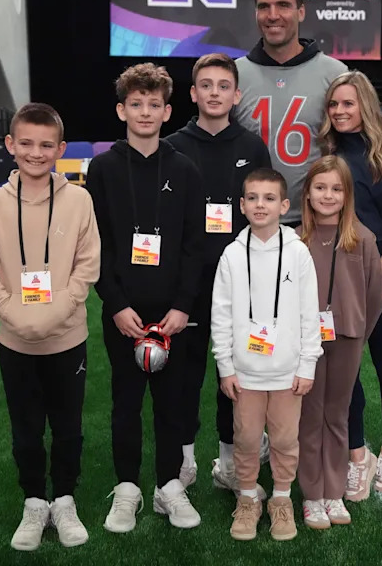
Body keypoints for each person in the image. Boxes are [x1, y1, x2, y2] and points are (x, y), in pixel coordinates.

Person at [0, 103, 100, 551]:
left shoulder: (80, 200)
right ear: (10, 145)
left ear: (61, 149)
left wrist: (56, 311)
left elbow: (86, 268)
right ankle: (34, 501)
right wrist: (14, 312)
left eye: (46, 145)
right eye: (26, 143)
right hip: (15, 341)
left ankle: (63, 499)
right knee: (25, 428)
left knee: (68, 426)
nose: (36, 153)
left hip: (67, 339)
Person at [85, 63, 204, 533]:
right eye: (136, 103)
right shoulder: (104, 168)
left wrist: (182, 306)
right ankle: (128, 487)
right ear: (121, 109)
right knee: (125, 403)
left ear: (168, 110)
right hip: (124, 315)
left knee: (173, 404)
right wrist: (114, 304)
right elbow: (97, 246)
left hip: (173, 315)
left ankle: (168, 488)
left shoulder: (184, 169)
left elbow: (195, 245)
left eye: (155, 104)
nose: (146, 112)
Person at [164, 53, 271, 493]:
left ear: (236, 94)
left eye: (223, 86)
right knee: (185, 376)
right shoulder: (172, 146)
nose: (214, 93)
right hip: (185, 287)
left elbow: (263, 217)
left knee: (238, 376)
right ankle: (184, 461)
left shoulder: (251, 147)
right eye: (205, 85)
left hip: (239, 287)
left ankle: (230, 462)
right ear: (192, 94)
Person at [317, 71, 382, 499]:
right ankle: (358, 456)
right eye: (334, 105)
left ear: (365, 107)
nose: (340, 111)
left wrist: (375, 276)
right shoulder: (326, 157)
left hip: (378, 281)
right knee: (345, 374)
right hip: (334, 284)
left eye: (348, 104)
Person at [211, 168, 323, 541]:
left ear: (284, 205)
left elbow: (310, 313)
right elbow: (221, 314)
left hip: (288, 372)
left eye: (269, 198)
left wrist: (307, 363)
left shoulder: (298, 253)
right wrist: (225, 366)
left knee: (285, 440)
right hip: (245, 374)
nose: (261, 205)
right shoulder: (230, 255)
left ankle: (280, 499)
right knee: (244, 439)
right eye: (253, 198)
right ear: (242, 206)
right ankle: (247, 498)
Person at [295, 156, 382, 529]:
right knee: (309, 416)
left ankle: (334, 492)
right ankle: (312, 496)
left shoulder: (362, 239)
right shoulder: (295, 238)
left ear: (347, 195)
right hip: (306, 343)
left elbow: (376, 293)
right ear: (308, 193)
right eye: (320, 188)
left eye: (336, 189)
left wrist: (359, 333)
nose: (328, 195)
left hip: (346, 337)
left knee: (337, 414)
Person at [233, 0, 348, 226]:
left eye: (283, 5)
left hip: (314, 224)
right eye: (264, 7)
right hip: (250, 223)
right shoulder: (234, 75)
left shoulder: (335, 74)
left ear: (301, 11)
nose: (273, 15)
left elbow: (356, 151)